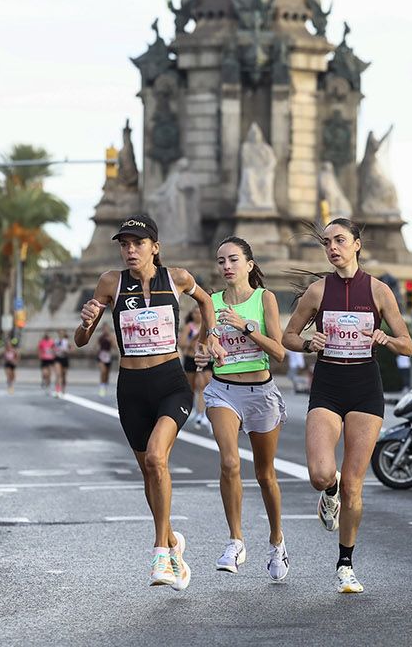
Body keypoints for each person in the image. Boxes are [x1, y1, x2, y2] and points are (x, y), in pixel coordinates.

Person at [74, 214, 216, 592]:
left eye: (138, 243)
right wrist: (86, 322)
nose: (130, 250)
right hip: (131, 388)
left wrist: (206, 338)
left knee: (156, 458)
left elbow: (206, 301)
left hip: (171, 384)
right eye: (124, 244)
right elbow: (80, 341)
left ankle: (160, 553)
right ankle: (172, 540)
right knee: (148, 472)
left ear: (155, 247)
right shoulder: (111, 282)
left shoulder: (177, 278)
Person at [281, 218, 412, 594]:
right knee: (321, 474)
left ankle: (345, 564)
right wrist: (309, 343)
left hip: (365, 389)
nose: (332, 248)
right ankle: (329, 491)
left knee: (355, 485)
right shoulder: (318, 291)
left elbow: (407, 345)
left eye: (339, 240)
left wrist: (385, 338)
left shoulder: (379, 291)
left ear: (357, 244)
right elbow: (288, 336)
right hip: (328, 386)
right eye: (327, 242)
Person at [196, 236, 290, 581]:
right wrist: (203, 353)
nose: (227, 266)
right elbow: (203, 344)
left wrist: (245, 326)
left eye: (233, 259)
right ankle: (235, 541)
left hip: (260, 392)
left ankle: (276, 541)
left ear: (249, 265)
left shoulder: (265, 298)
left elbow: (279, 353)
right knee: (230, 463)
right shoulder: (211, 302)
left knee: (265, 475)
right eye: (221, 261)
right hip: (223, 391)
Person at [179, 299, 211, 430]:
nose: (197, 315)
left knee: (204, 385)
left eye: (199, 313)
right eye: (195, 313)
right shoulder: (189, 327)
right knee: (192, 387)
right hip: (191, 359)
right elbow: (182, 344)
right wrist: (192, 341)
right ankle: (189, 409)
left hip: (204, 360)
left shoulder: (207, 325)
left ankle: (202, 414)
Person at [54, 330, 72, 395]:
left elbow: (71, 349)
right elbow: (52, 348)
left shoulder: (66, 341)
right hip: (58, 358)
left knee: (64, 375)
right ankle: (57, 390)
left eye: (62, 333)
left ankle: (63, 388)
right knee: (58, 374)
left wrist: (67, 351)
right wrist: (54, 351)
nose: (61, 334)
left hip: (64, 358)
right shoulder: (56, 341)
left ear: (64, 334)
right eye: (60, 333)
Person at [97, 333, 115, 398]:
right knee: (103, 371)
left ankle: (105, 385)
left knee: (107, 374)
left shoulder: (110, 337)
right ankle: (102, 387)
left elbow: (114, 347)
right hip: (101, 355)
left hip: (108, 356)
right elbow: (96, 345)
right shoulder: (101, 337)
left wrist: (111, 340)